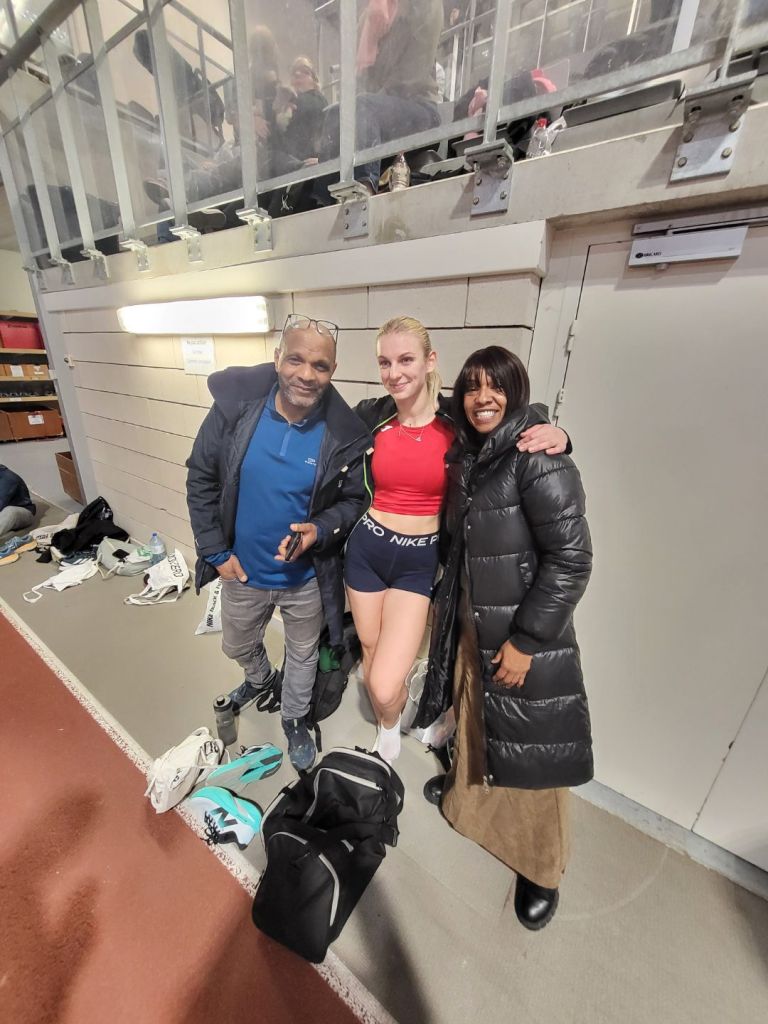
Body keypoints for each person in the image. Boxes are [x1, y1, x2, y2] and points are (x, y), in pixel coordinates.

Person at [415, 345, 593, 931]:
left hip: (520, 636)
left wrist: (527, 641)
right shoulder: (472, 453)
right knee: (474, 720)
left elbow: (571, 560)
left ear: (516, 392)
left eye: (496, 387)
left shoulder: (538, 457)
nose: (482, 398)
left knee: (533, 749)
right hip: (474, 625)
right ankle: (467, 805)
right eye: (472, 388)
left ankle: (543, 868)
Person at [349, 318, 569, 763]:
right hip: (365, 550)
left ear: (430, 361)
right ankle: (387, 726)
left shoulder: (457, 421)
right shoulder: (371, 415)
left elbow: (515, 417)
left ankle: (390, 711)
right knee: (369, 650)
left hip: (417, 562)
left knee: (385, 682)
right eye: (385, 363)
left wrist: (561, 434)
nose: (394, 373)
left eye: (406, 360)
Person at [186, 315, 372, 771]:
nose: (306, 374)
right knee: (235, 644)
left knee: (303, 655)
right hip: (242, 571)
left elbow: (355, 501)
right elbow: (201, 478)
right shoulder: (235, 411)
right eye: (295, 360)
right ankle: (259, 678)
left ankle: (294, 718)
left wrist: (319, 529)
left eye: (320, 366)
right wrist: (215, 553)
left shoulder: (343, 435)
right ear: (277, 359)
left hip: (305, 580)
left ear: (333, 370)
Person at [317, 0, 444, 196]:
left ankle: (362, 193)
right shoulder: (368, 18)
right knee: (334, 115)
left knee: (361, 108)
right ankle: (324, 200)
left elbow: (410, 77)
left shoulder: (423, 6)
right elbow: (359, 84)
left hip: (420, 110)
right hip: (376, 115)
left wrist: (367, 103)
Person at [0, 464, 36, 541]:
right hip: (2, 512)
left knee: (10, 512)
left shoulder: (8, 479)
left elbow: (1, 504)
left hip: (22, 512)